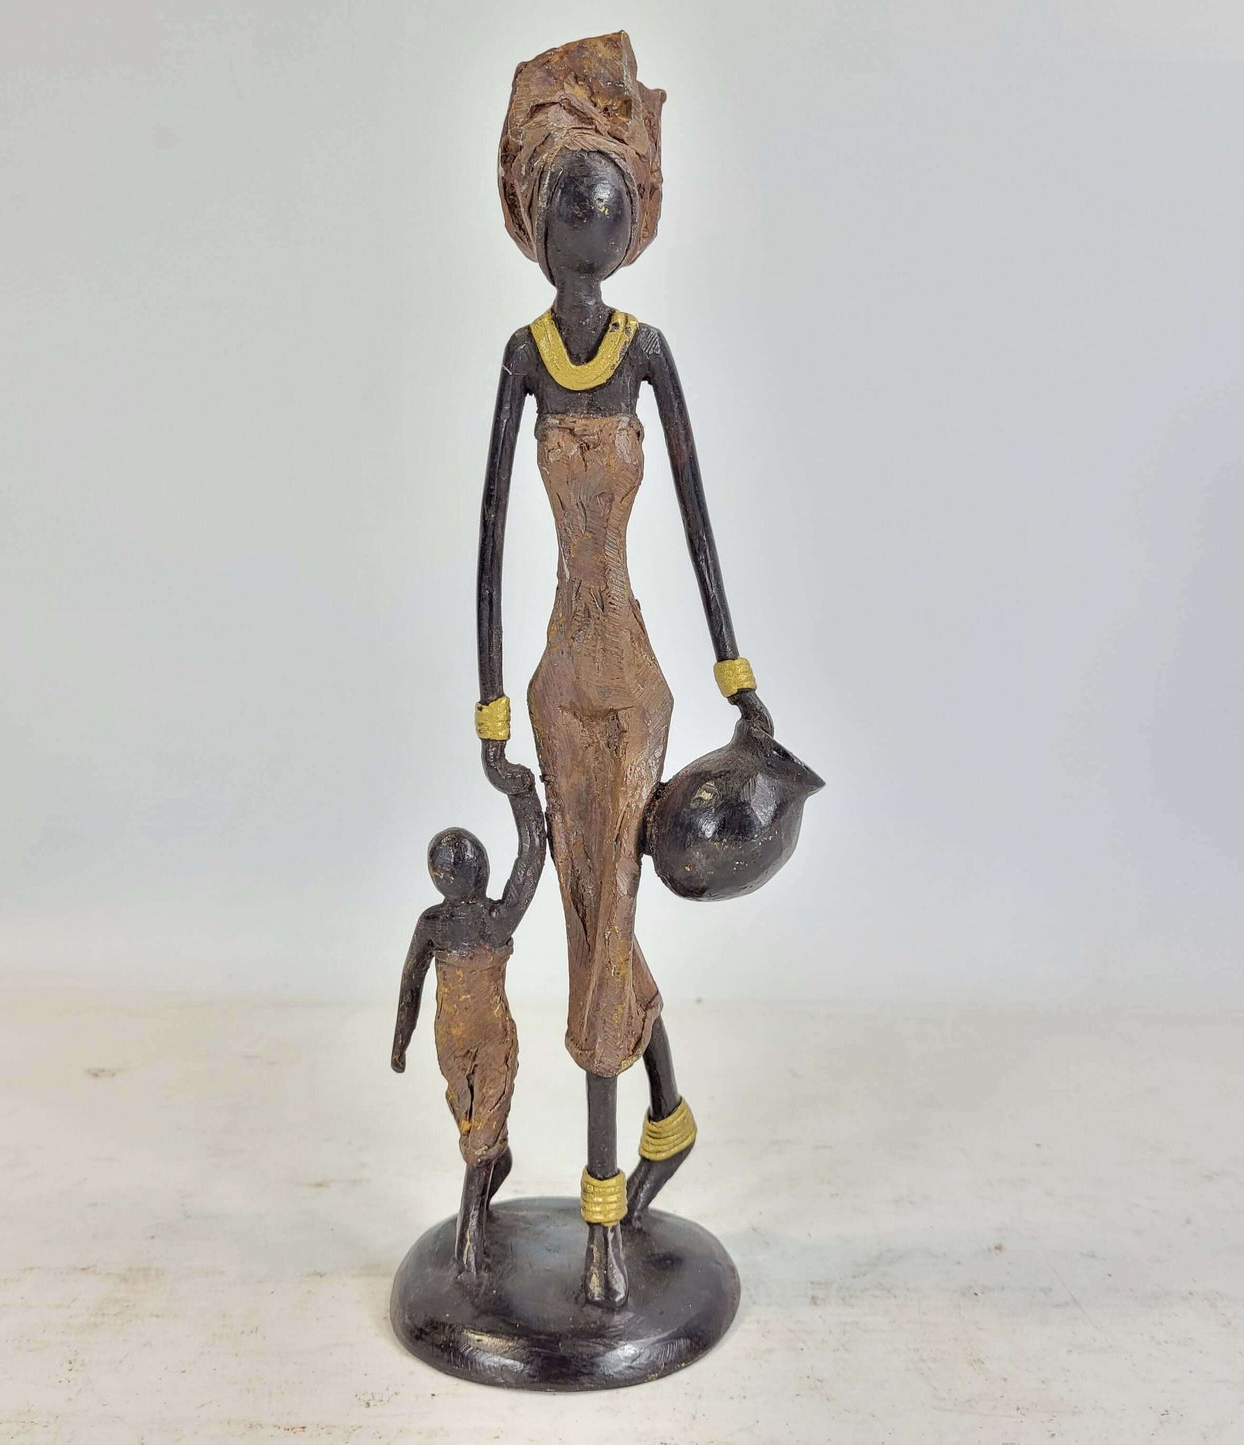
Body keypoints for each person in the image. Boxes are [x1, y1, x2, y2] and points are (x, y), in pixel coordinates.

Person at [477, 32, 775, 1306]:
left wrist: (738, 680)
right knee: (592, 914)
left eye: (602, 205)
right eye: (564, 206)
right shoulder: (524, 359)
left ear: (630, 220)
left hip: (633, 680)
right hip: (556, 681)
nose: (583, 227)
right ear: (534, 222)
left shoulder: (646, 352)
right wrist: (491, 709)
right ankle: (664, 1115)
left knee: (600, 925)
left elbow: (700, 528)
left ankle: (605, 1212)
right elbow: (487, 541)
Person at [391, 759, 545, 1276]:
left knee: (480, 1146)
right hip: (459, 1046)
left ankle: (469, 1248)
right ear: (480, 870)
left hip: (481, 1044)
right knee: (480, 1144)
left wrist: (401, 1042)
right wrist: (523, 796)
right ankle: (477, 1221)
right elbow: (531, 859)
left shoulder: (465, 921)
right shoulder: (464, 922)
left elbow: (410, 984)